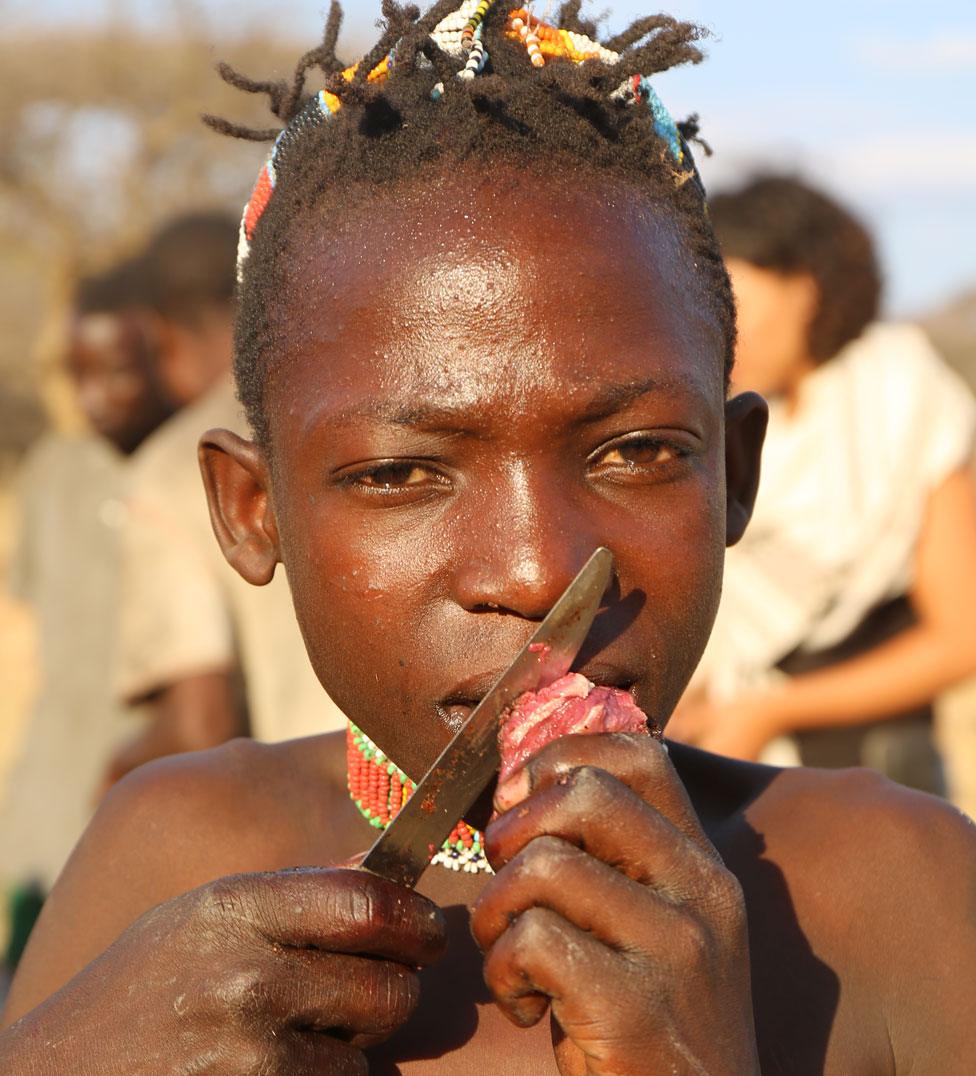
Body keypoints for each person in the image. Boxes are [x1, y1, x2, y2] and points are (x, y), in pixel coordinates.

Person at [3, 6, 975, 1072]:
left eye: (636, 452)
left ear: (733, 474)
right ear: (251, 510)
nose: (533, 568)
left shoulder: (895, 888)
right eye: (397, 473)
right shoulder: (168, 862)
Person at [668, 176, 976, 795]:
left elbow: (961, 637)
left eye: (736, 300)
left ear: (804, 290)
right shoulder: (707, 418)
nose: (725, 331)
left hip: (871, 778)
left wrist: (771, 711)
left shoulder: (901, 398)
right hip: (723, 769)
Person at [105, 213, 345, 789]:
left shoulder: (171, 470)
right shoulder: (352, 399)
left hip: (326, 820)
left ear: (158, 333)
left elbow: (197, 726)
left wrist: (114, 786)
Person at [0, 260, 171, 917]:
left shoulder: (192, 473)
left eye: (119, 373)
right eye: (81, 376)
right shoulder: (53, 472)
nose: (96, 397)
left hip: (145, 778)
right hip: (49, 780)